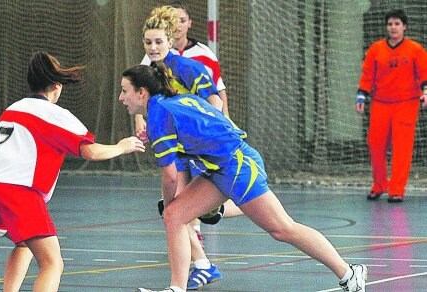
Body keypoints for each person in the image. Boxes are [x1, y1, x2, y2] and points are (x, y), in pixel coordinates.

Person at [119, 63, 368, 292]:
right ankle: (176, 288)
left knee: (282, 228)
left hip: (238, 166)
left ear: (142, 93)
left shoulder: (159, 115)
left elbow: (170, 176)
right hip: (219, 168)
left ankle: (349, 273)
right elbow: (182, 165)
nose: (121, 98)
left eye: (124, 91)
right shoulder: (174, 104)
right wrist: (173, 203)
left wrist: (168, 199)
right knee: (175, 216)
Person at [0, 51, 145, 292]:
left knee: (24, 244)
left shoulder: (12, 110)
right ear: (56, 85)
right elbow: (90, 152)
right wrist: (121, 147)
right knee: (52, 263)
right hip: (16, 194)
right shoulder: (54, 114)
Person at [138, 5, 243, 289]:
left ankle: (234, 208)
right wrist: (142, 121)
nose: (153, 46)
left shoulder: (189, 67)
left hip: (201, 148)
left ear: (170, 41)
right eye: (148, 42)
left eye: (158, 41)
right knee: (174, 211)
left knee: (183, 210)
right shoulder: (148, 71)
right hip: (179, 150)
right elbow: (142, 98)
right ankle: (199, 267)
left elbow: (215, 102)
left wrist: (203, 132)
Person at [356, 9, 427, 203]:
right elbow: (368, 75)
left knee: (402, 147)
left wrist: (425, 91)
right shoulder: (376, 49)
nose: (393, 27)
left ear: (405, 27)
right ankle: (379, 185)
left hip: (406, 103)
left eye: (397, 24)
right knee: (376, 144)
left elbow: (424, 73)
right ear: (386, 27)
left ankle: (396, 189)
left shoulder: (415, 50)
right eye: (390, 24)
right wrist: (361, 96)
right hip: (381, 103)